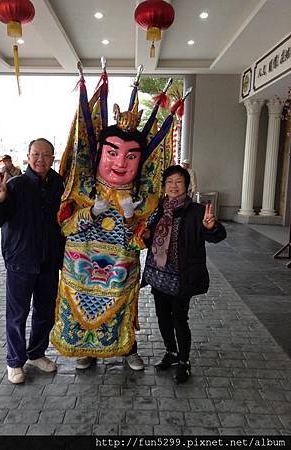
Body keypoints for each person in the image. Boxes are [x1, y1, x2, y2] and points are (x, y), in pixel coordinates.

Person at [50, 64, 181, 371]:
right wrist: (88, 212)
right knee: (80, 308)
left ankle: (127, 349)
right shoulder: (80, 185)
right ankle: (86, 351)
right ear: (99, 154)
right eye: (112, 153)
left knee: (123, 309)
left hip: (120, 268)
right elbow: (65, 225)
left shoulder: (144, 195)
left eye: (131, 156)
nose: (121, 162)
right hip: (81, 268)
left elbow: (142, 241)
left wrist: (131, 217)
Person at [0, 138, 65, 384]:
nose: (41, 159)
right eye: (36, 154)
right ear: (28, 157)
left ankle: (37, 353)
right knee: (17, 315)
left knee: (45, 313)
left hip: (49, 262)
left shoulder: (58, 184)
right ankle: (14, 362)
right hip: (20, 261)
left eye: (46, 155)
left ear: (53, 158)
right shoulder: (15, 185)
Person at [142, 165, 226, 383]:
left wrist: (211, 227)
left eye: (178, 182)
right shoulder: (159, 208)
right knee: (162, 316)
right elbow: (148, 238)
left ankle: (184, 361)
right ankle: (171, 352)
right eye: (169, 182)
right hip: (159, 273)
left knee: (179, 318)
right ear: (164, 186)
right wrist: (146, 235)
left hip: (182, 276)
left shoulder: (197, 211)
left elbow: (218, 237)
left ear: (187, 186)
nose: (174, 186)